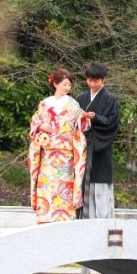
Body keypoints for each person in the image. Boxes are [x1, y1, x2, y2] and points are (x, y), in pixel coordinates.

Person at [28, 68, 87, 224]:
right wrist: (40, 127)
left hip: (65, 152)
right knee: (47, 183)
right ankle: (45, 216)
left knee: (64, 184)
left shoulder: (73, 104)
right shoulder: (45, 103)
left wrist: (85, 117)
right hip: (48, 151)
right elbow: (35, 122)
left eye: (69, 85)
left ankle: (64, 217)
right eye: (65, 84)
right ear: (55, 84)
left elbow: (80, 123)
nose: (68, 88)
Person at [76, 62, 119, 219]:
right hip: (82, 146)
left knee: (99, 181)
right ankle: (83, 218)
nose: (92, 83)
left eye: (96, 80)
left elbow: (113, 123)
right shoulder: (80, 98)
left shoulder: (110, 99)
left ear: (104, 80)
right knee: (82, 181)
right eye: (89, 80)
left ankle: (102, 219)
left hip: (101, 145)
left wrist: (96, 118)